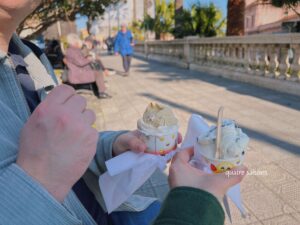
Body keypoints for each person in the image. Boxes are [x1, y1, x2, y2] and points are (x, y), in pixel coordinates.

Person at [0, 1, 247, 225]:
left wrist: (112, 146)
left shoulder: (29, 56)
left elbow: (58, 148)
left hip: (115, 210)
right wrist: (195, 203)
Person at [65, 33, 111, 99]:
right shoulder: (72, 51)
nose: (79, 43)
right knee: (98, 73)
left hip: (79, 72)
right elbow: (80, 62)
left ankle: (98, 90)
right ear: (74, 42)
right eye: (77, 42)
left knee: (96, 70)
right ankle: (102, 93)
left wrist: (87, 57)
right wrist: (89, 59)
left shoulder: (72, 50)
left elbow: (79, 59)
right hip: (78, 74)